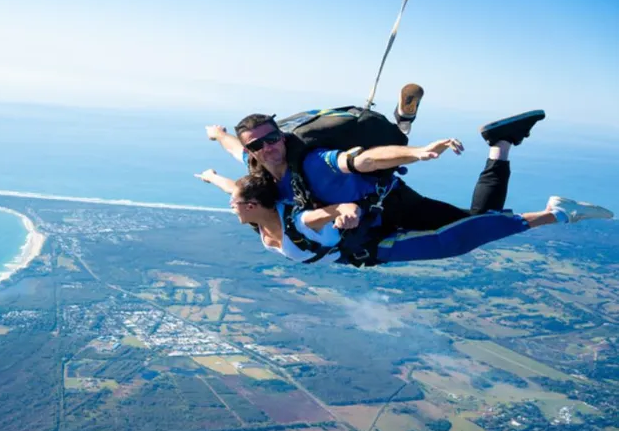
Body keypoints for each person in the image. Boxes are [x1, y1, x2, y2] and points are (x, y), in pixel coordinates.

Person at [200, 108, 549, 265]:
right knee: (479, 222)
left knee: (478, 224)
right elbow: (234, 150)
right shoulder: (257, 168)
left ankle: (500, 144)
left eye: (273, 138)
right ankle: (497, 142)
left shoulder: (313, 161)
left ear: (282, 136)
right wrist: (218, 136)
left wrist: (416, 153)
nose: (268, 148)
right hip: (372, 219)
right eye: (257, 145)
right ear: (251, 150)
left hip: (395, 206)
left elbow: (363, 160)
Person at [228, 172, 613, 266]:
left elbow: (329, 212)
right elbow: (236, 184)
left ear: (253, 204)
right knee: (476, 222)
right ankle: (502, 146)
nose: (231, 206)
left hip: (373, 245)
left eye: (235, 203)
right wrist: (216, 155)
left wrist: (346, 210)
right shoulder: (260, 216)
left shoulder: (298, 222)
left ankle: (557, 214)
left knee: (454, 242)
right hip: (367, 245)